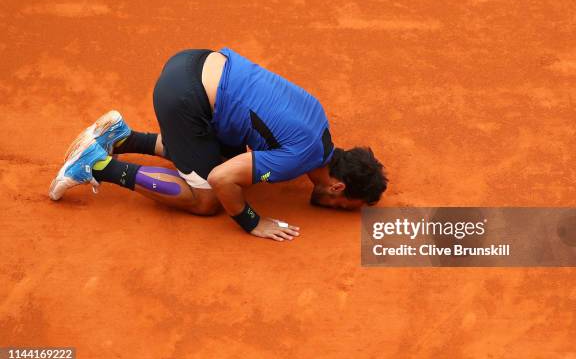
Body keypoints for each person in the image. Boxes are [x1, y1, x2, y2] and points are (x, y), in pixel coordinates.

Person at [49, 48, 388, 241]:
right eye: (346, 204)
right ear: (337, 186)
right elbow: (223, 179)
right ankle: (97, 164)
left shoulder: (319, 122)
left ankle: (122, 137)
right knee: (210, 198)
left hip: (194, 62)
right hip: (184, 98)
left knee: (229, 155)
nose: (340, 208)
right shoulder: (299, 159)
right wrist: (252, 221)